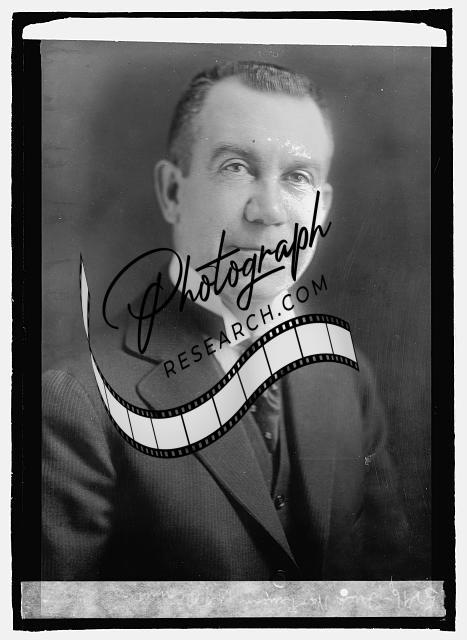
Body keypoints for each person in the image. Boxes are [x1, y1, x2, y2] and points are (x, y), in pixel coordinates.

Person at [42, 61, 409, 581]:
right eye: (236, 167)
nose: (270, 210)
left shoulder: (346, 373)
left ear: (322, 209)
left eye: (298, 177)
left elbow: (393, 589)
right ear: (173, 192)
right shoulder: (78, 401)